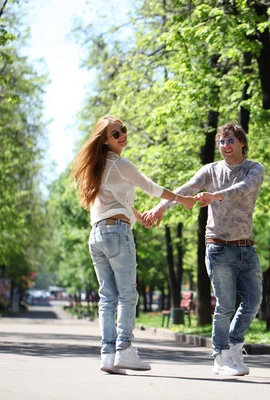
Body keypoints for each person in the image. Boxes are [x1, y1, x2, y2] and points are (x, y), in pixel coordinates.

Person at [72, 115, 196, 374]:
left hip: (97, 235)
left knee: (107, 297)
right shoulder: (120, 164)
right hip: (117, 233)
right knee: (128, 294)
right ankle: (125, 349)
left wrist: (139, 216)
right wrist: (182, 199)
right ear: (105, 141)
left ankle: (108, 354)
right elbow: (152, 188)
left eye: (123, 130)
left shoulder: (97, 166)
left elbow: (115, 200)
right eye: (115, 134)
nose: (122, 135)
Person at [143, 123, 264, 376]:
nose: (225, 146)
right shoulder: (210, 170)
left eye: (230, 141)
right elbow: (185, 189)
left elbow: (243, 189)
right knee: (225, 304)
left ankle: (233, 346)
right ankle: (220, 357)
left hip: (246, 248)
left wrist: (214, 196)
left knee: (253, 301)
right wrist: (161, 207)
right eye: (221, 142)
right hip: (218, 247)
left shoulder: (253, 168)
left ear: (242, 142)